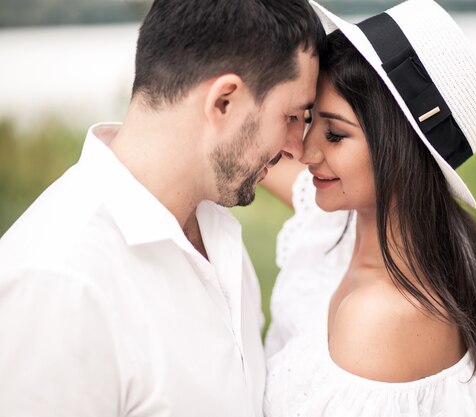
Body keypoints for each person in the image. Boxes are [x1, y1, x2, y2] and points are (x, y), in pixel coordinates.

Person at [0, 1, 324, 416]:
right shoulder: (57, 284)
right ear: (224, 101)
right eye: (293, 116)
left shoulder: (218, 236)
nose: (297, 146)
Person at [262, 1, 476, 415]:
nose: (304, 151)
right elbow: (250, 159)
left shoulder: (380, 319)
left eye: (335, 134)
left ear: (400, 150)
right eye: (307, 119)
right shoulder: (450, 247)